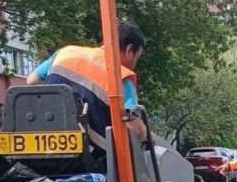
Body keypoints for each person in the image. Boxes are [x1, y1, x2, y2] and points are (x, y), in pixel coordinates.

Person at [25, 21, 149, 163]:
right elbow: (136, 131)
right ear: (129, 49)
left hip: (43, 151)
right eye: (136, 58)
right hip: (90, 162)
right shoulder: (122, 78)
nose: (134, 65)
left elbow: (31, 81)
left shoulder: (65, 53)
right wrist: (146, 134)